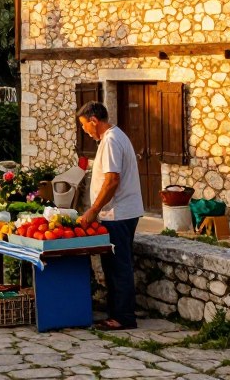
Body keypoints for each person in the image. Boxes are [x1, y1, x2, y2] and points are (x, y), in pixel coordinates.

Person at [77, 100, 144, 330]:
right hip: (119, 212)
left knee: (118, 266)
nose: (85, 131)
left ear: (94, 121)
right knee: (114, 265)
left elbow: (112, 180)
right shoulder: (114, 138)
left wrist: (93, 210)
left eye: (85, 126)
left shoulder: (111, 141)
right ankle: (117, 312)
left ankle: (123, 317)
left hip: (118, 214)